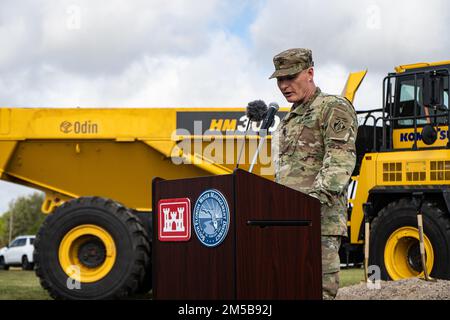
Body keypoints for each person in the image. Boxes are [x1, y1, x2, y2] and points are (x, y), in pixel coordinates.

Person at [270, 48, 358, 300]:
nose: (284, 85)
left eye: (290, 77)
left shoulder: (332, 107)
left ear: (310, 73)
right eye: (280, 79)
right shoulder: (290, 119)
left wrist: (306, 206)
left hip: (319, 222)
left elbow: (340, 161)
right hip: (288, 222)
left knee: (316, 292)